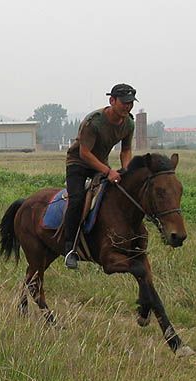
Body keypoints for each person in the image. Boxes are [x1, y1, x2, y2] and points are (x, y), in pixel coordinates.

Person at [63, 83, 137, 269]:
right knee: (78, 200)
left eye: (131, 103)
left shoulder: (129, 123)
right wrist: (108, 171)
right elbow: (85, 154)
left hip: (100, 165)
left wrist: (126, 171)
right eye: (124, 102)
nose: (128, 106)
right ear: (112, 100)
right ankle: (69, 248)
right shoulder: (94, 122)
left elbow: (126, 150)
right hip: (78, 164)